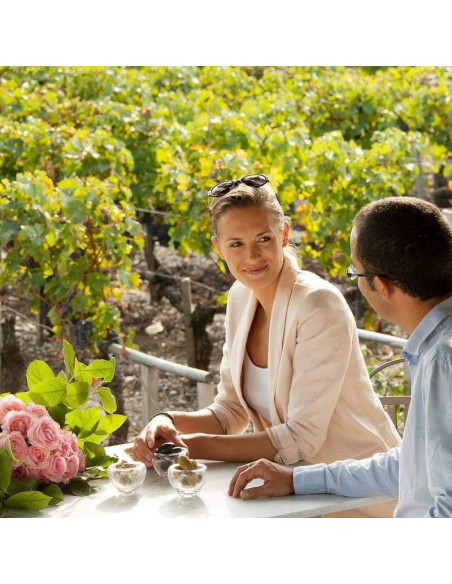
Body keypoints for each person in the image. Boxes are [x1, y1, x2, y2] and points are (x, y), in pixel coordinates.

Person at [130, 174, 401, 517]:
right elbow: (229, 411)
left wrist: (188, 447)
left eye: (263, 239)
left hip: (359, 495)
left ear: (284, 234)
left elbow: (302, 437)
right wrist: (166, 422)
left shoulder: (318, 304)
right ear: (218, 247)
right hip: (285, 490)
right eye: (236, 244)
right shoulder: (240, 297)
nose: (252, 256)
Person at [229, 196, 452, 518]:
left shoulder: (443, 362)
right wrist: (297, 479)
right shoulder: (436, 348)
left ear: (381, 285)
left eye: (355, 272)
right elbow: (412, 465)